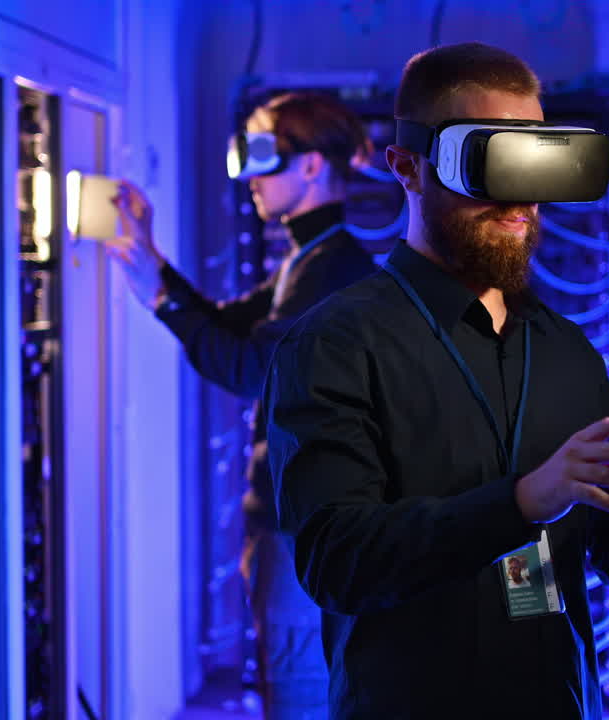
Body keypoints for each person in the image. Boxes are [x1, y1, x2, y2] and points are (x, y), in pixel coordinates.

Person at [264, 43, 609, 718]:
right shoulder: (335, 346)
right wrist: (524, 502)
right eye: (487, 164)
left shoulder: (562, 350)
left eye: (533, 162)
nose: (519, 197)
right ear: (409, 168)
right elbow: (338, 561)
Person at [107, 91, 378, 720]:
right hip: (293, 526)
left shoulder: (331, 271)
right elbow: (233, 327)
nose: (250, 178)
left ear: (312, 166)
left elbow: (249, 366)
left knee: (298, 692)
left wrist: (161, 299)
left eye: (262, 155)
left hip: (304, 530)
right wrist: (154, 267)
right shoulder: (310, 261)